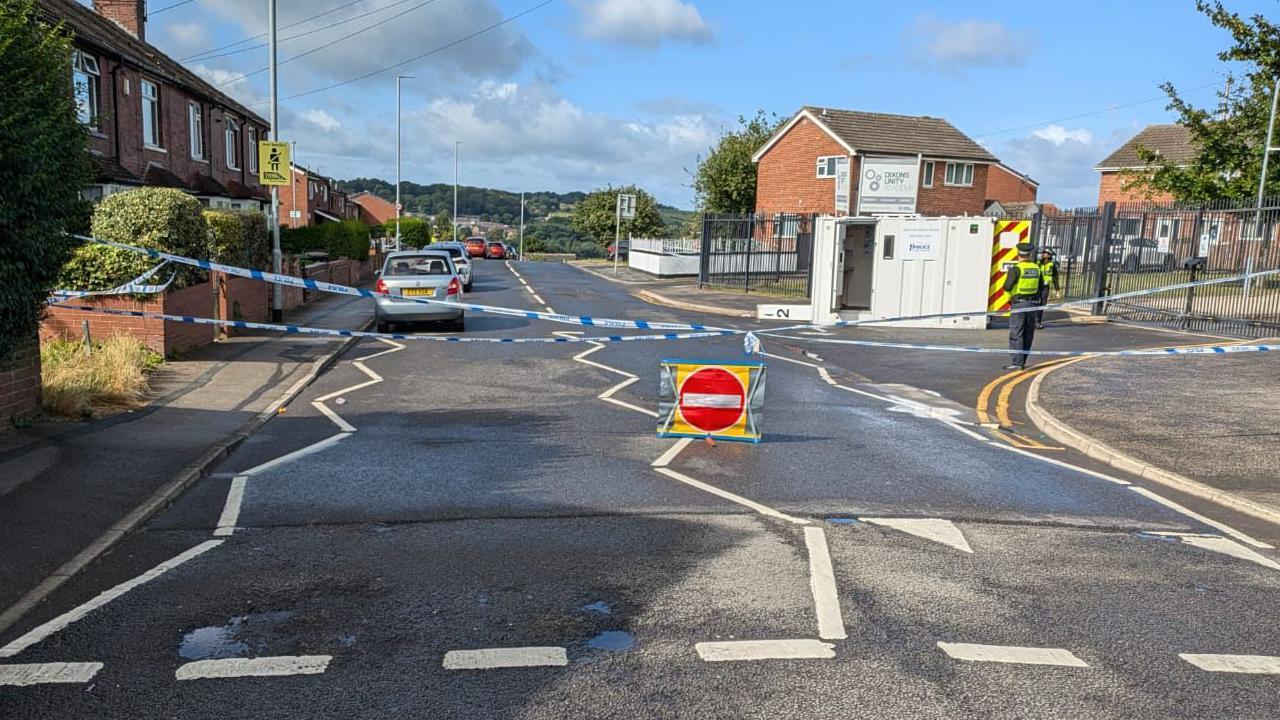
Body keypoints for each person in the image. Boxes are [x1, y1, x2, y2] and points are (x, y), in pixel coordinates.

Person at [1002, 243, 1043, 371]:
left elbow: (1007, 287)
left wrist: (1010, 298)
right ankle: (1023, 361)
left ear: (1018, 254)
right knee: (1028, 333)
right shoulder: (1036, 268)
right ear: (1030, 255)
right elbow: (1041, 287)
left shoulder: (1016, 269)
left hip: (1019, 304)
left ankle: (1017, 363)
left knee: (1016, 333)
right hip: (1032, 304)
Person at [1035, 248, 1060, 329]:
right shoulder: (1038, 263)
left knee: (1042, 304)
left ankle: (1038, 322)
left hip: (1045, 287)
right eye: (1043, 253)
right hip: (1036, 287)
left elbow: (1055, 278)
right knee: (1034, 303)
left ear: (1049, 255)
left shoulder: (1052, 265)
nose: (1044, 254)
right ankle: (1031, 321)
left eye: (1046, 253)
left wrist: (1057, 290)